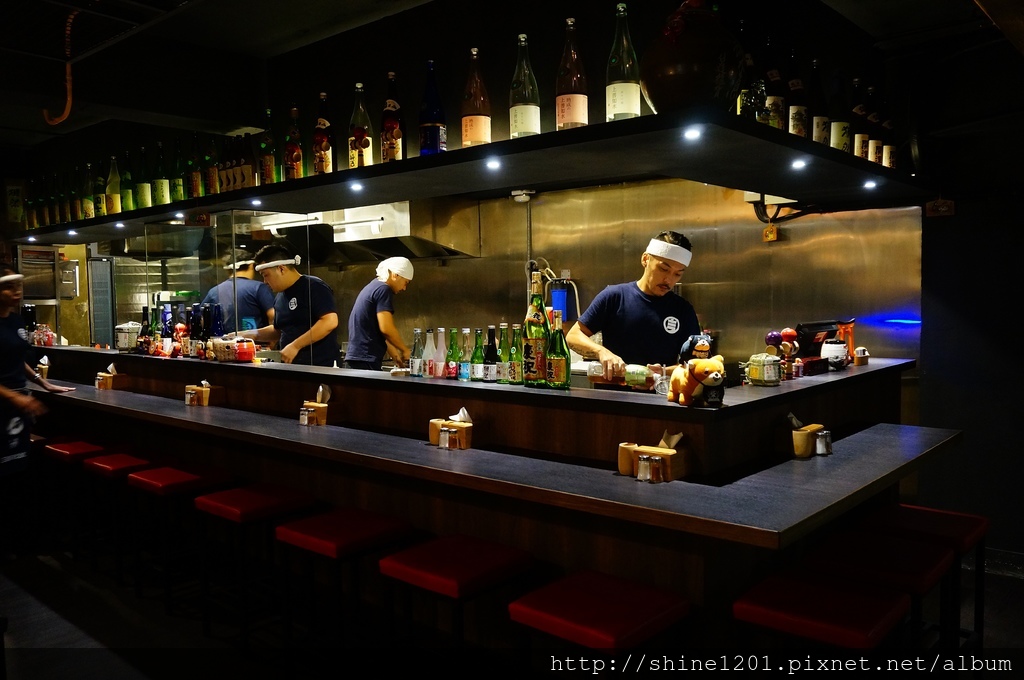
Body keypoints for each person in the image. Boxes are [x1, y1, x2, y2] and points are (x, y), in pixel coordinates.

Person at [0, 263, 74, 554]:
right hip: (5, 406)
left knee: (18, 469)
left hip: (18, 406)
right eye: (8, 286)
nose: (16, 291)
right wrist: (15, 398)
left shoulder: (15, 322)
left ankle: (20, 541)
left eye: (18, 285)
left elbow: (16, 360)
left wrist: (44, 384)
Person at [566, 231, 701, 380]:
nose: (668, 280)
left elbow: (695, 364)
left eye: (678, 274)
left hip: (661, 397)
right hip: (612, 395)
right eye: (663, 269)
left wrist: (662, 373)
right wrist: (601, 352)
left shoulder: (683, 310)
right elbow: (573, 335)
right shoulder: (615, 297)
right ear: (645, 259)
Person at [235, 245, 339, 366]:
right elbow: (278, 330)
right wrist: (241, 335)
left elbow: (330, 321)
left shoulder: (313, 286)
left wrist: (295, 346)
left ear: (281, 269)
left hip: (319, 368)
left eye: (266, 275)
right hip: (293, 368)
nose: (264, 281)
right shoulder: (280, 297)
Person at [345, 257, 414, 371]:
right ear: (395, 275)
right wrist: (405, 350)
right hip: (365, 361)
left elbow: (383, 334)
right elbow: (386, 328)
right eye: (405, 282)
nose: (404, 288)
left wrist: (397, 358)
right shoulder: (384, 289)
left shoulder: (374, 286)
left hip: (359, 359)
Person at [201, 258, 275, 333]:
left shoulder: (214, 291)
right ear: (251, 266)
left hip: (223, 342)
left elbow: (201, 319)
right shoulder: (259, 287)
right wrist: (273, 342)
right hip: (254, 342)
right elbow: (273, 316)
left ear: (228, 270)